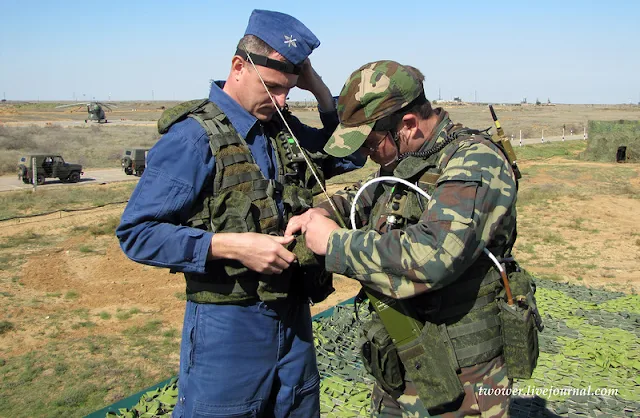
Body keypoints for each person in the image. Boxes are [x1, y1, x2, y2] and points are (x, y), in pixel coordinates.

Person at [116, 10, 362, 418]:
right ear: (238, 67)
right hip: (228, 325)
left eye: (289, 90)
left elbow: (350, 154)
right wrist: (230, 246)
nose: (282, 101)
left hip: (294, 315)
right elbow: (137, 233)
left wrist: (319, 90)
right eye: (273, 88)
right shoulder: (192, 138)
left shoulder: (281, 128)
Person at [286, 60, 528, 417]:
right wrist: (322, 212)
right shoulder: (413, 154)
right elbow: (372, 194)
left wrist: (335, 243)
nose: (365, 155)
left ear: (409, 124)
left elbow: (433, 254)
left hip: (465, 377)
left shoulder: (475, 162)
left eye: (370, 144)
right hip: (406, 357)